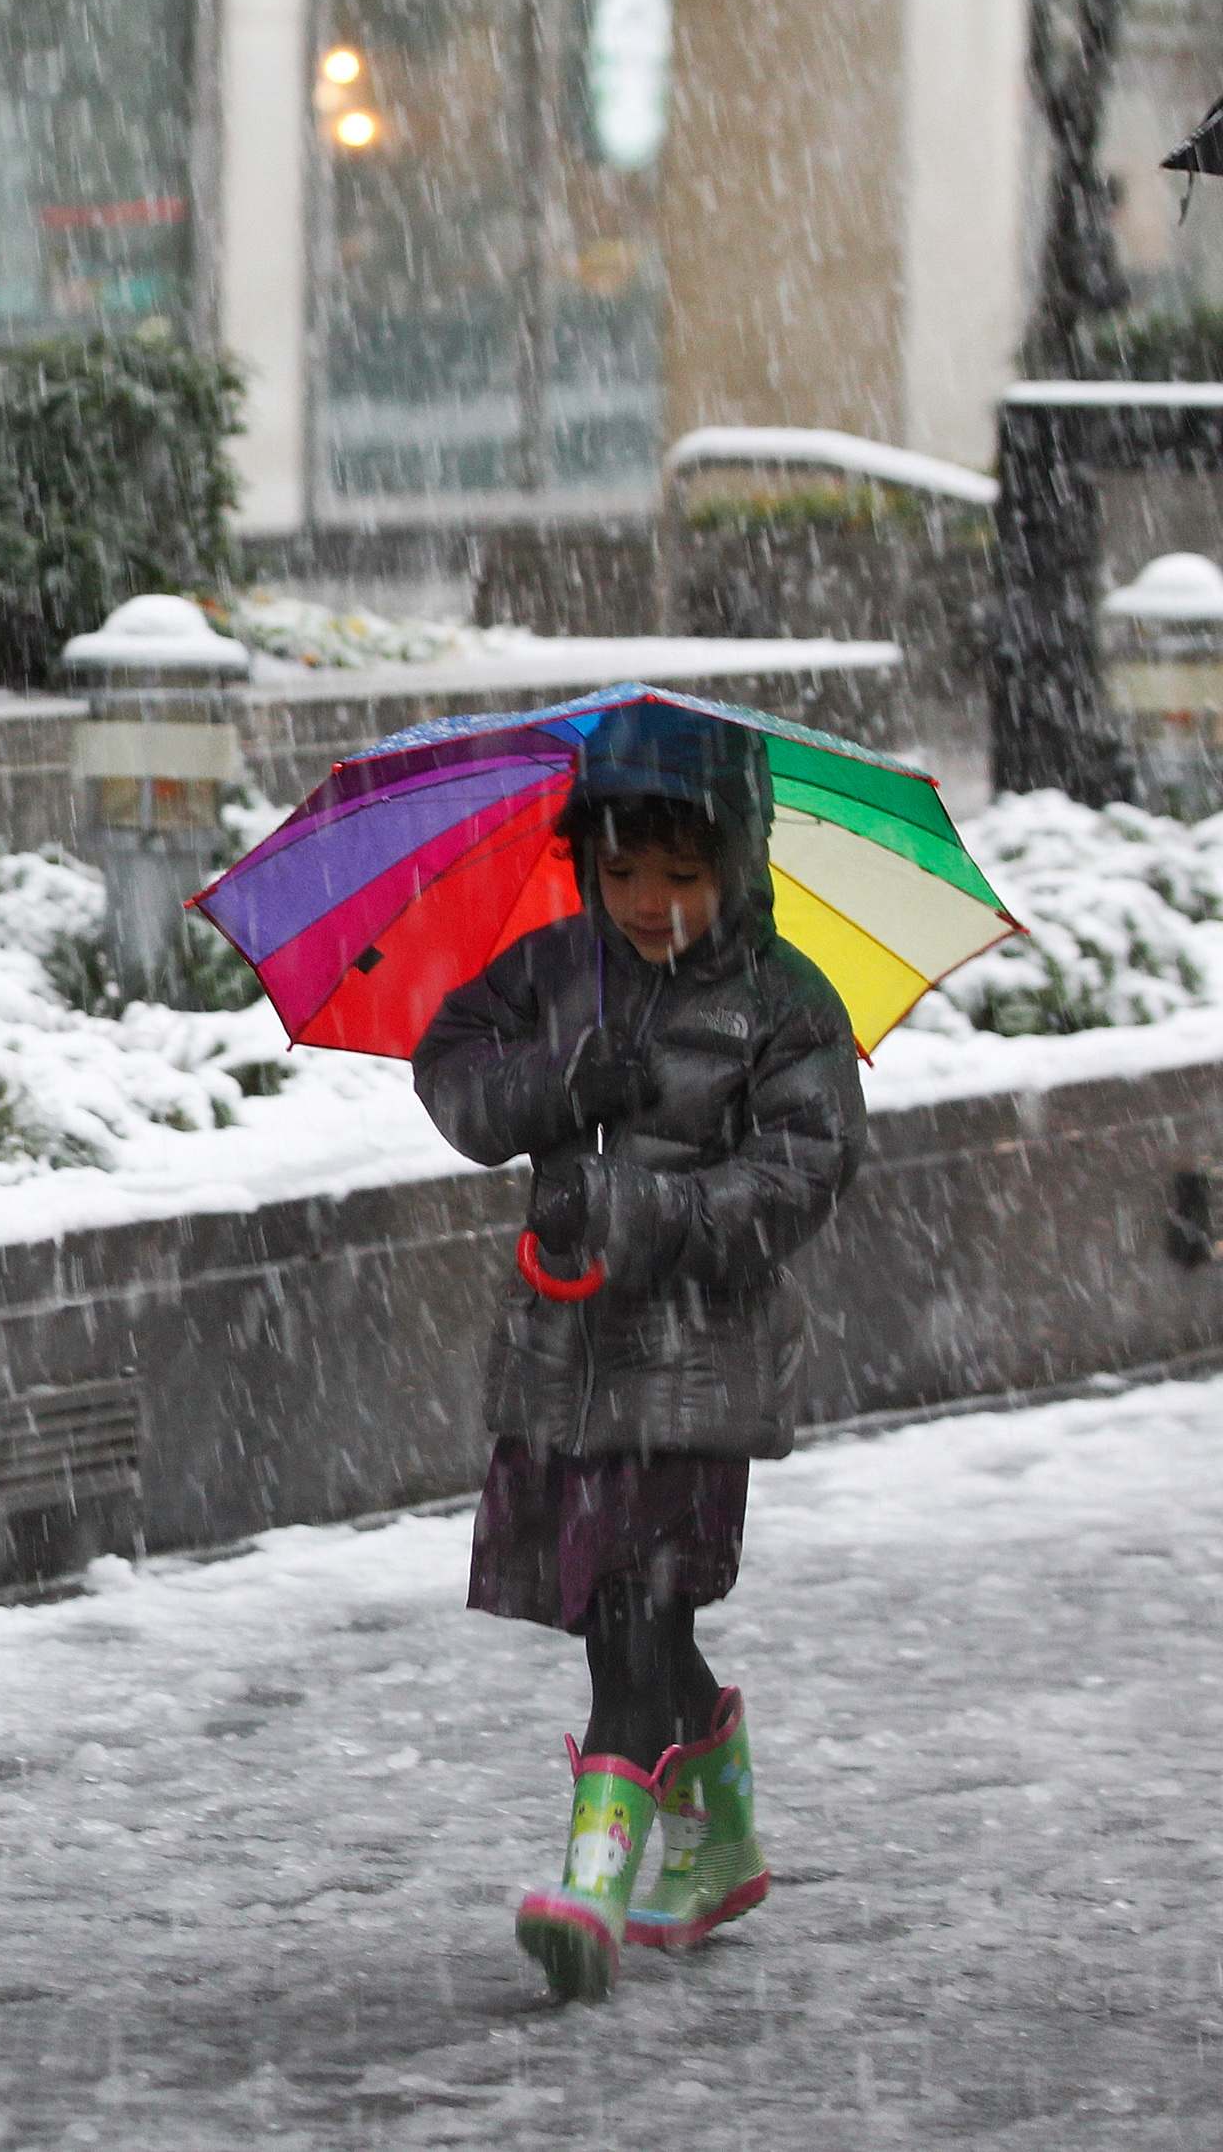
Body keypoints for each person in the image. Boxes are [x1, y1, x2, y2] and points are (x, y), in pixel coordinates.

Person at [411, 711, 866, 2003]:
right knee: (632, 1617)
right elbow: (451, 1073)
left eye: (679, 875)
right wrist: (559, 1085)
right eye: (619, 876)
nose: (648, 904)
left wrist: (651, 1213)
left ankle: (591, 1885)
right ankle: (718, 1844)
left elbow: (804, 1170)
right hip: (565, 1353)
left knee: (632, 1609)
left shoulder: (783, 1003)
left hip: (698, 1362)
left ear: (738, 862)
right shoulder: (558, 972)